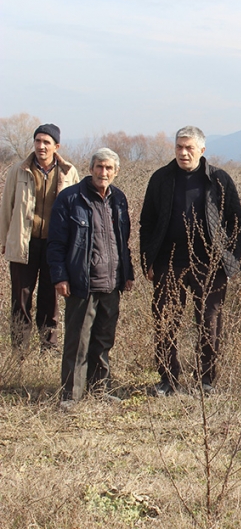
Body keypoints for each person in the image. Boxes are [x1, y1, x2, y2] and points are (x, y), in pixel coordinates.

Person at [139, 126, 241, 396]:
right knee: (165, 321)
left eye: (189, 148)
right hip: (168, 261)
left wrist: (230, 260)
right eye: (179, 147)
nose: (183, 153)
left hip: (210, 265)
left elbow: (236, 223)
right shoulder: (161, 179)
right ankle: (167, 380)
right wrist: (147, 260)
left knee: (210, 323)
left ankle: (205, 380)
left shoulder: (219, 179)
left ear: (202, 150)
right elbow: (147, 222)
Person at [47, 148, 133, 409]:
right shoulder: (70, 199)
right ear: (91, 168)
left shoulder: (119, 199)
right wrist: (60, 276)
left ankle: (100, 390)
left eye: (108, 168)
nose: (103, 172)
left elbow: (123, 242)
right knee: (78, 340)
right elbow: (56, 243)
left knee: (104, 340)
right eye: (99, 167)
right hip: (81, 284)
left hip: (111, 283)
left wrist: (127, 274)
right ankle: (71, 395)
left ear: (116, 172)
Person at [0, 124, 79, 351]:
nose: (41, 146)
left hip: (55, 246)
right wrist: (6, 240)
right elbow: (7, 207)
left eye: (46, 142)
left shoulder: (68, 172)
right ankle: (19, 351)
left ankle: (48, 347)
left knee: (50, 298)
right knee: (21, 298)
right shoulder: (18, 170)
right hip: (24, 242)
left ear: (56, 146)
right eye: (38, 141)